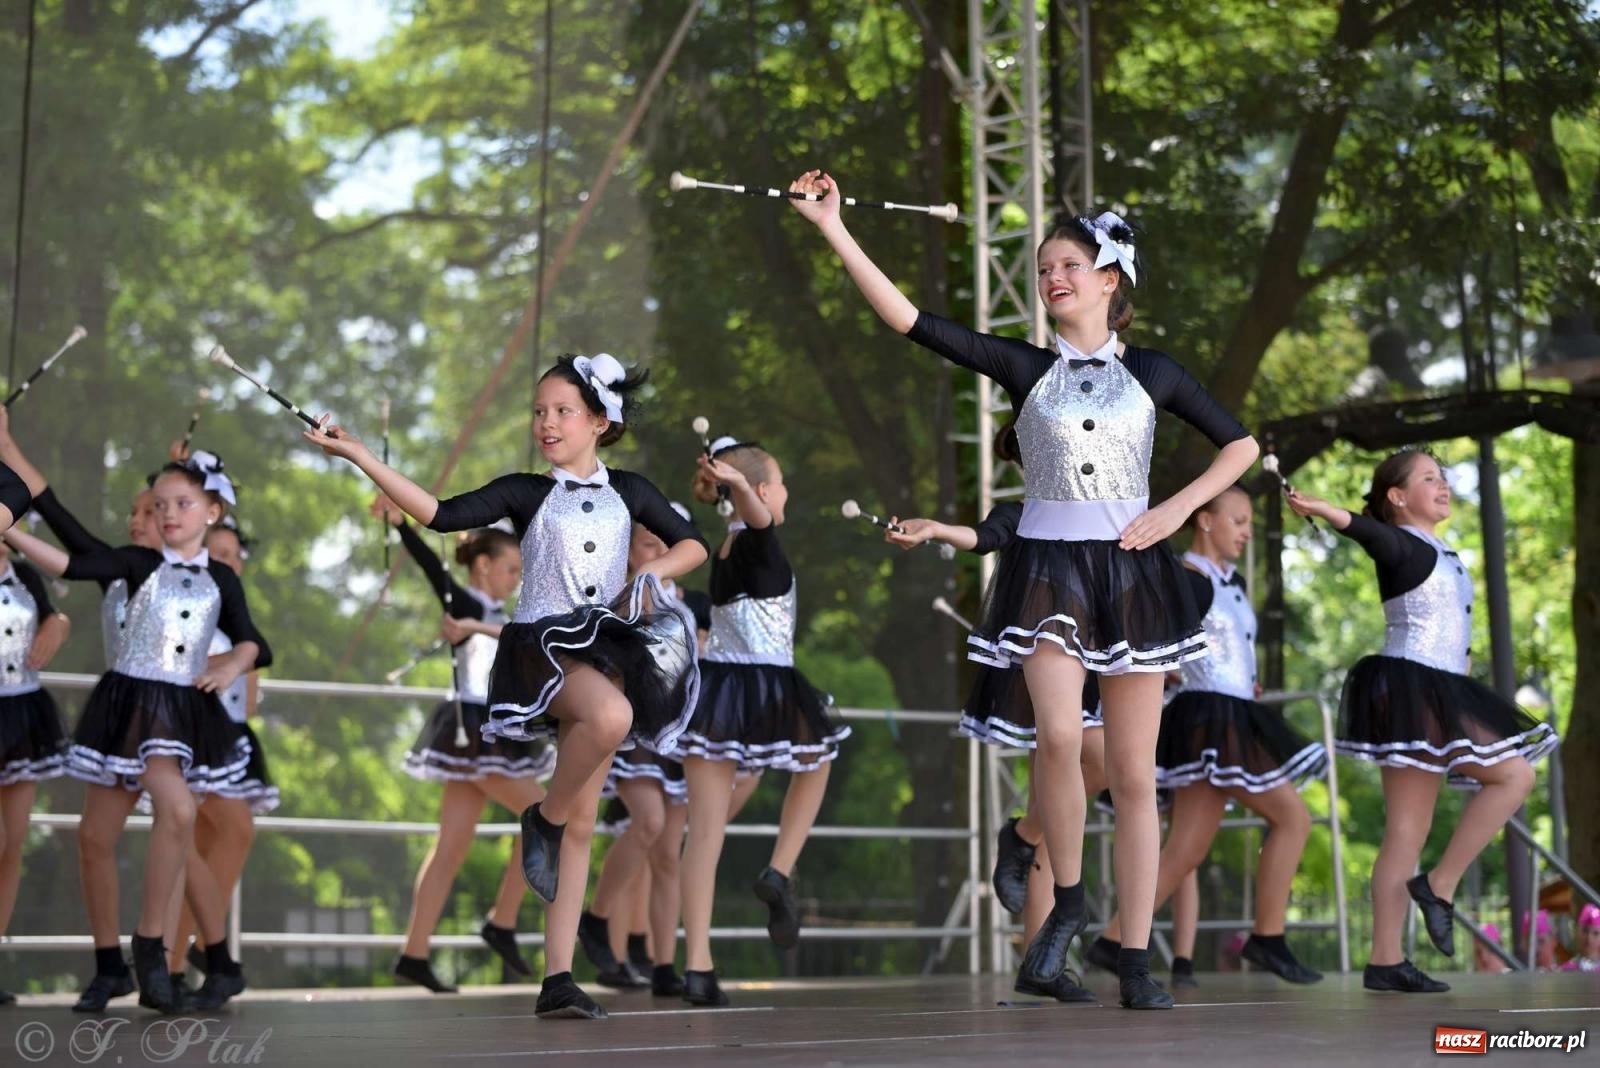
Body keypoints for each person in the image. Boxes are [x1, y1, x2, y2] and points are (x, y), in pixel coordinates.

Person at [793, 170, 1258, 1008]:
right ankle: (1067, 904)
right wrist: (833, 227)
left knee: (1135, 775)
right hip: (1047, 571)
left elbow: (1242, 445)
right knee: (1057, 737)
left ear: (1110, 280)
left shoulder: (1155, 371)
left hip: (1132, 573)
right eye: (1044, 267)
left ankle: (1137, 956)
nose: (1053, 277)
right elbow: (909, 321)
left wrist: (1174, 510)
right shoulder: (1025, 365)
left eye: (1070, 264)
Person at [305, 352, 707, 1020]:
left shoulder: (632, 491)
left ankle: (558, 979)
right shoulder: (526, 491)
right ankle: (540, 818)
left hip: (607, 649)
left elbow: (693, 544)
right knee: (609, 720)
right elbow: (439, 513)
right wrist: (359, 455)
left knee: (583, 821)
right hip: (542, 652)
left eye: (562, 411)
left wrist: (649, 574)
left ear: (599, 421)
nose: (546, 422)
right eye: (539, 411)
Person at [1287, 450, 1556, 993]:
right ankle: (1436, 890)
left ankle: (1388, 957)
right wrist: (1326, 509)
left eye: (1444, 477)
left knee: (1411, 829)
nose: (1443, 485)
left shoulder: (1440, 550)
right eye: (1429, 478)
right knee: (1510, 777)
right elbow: (1367, 533)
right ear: (1398, 496)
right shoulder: (1400, 544)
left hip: (1439, 690)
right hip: (1412, 688)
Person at [27, 454, 270, 1013]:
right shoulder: (129, 564)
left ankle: (162, 952)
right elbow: (68, 555)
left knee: (180, 820)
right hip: (123, 712)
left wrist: (229, 665)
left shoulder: (212, 578)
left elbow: (253, 641)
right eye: (153, 507)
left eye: (174, 505)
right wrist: (12, 522)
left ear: (210, 511)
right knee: (100, 835)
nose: (156, 517)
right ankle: (126, 963)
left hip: (180, 715)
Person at [1090, 487, 1325, 984]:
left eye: (1249, 523)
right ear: (1204, 521)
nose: (1246, 532)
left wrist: (1243, 680)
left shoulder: (1226, 581)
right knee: (1292, 818)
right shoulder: (1186, 579)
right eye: (1238, 520)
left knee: (1186, 850)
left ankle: (1113, 941)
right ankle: (1268, 937)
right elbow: (1148, 636)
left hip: (1229, 712)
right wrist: (1174, 672)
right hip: (1208, 718)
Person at [669, 439, 848, 1007]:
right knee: (817, 763)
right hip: (766, 683)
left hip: (719, 691)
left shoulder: (725, 547)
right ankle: (778, 870)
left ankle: (698, 966)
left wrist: (737, 486)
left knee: (703, 834)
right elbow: (760, 516)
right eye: (780, 484)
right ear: (764, 491)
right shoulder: (758, 535)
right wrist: (743, 485)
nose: (784, 494)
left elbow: (752, 516)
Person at [377, 499, 554, 992]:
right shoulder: (466, 605)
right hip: (471, 730)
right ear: (482, 566)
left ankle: (415, 953)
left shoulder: (496, 613)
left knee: (452, 847)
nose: (516, 579)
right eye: (510, 569)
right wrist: (402, 525)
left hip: (490, 730)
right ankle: (501, 921)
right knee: (544, 816)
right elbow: (433, 570)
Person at [0, 538, 72, 1005]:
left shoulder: (25, 574)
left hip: (22, 713)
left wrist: (57, 624)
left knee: (12, 846)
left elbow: (54, 616)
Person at [1559, 905, 1600, 973]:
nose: (1589, 938)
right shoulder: (1567, 969)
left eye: (1596, 933)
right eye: (1585, 931)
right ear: (1576, 932)